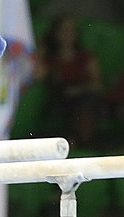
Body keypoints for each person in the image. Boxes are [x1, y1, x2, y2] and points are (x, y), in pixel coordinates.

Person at [34, 14, 102, 149]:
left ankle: (83, 141)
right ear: (55, 33)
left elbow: (97, 85)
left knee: (86, 101)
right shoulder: (50, 58)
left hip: (84, 98)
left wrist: (78, 90)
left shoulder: (85, 57)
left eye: (71, 30)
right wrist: (42, 49)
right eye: (63, 30)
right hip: (59, 101)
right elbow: (38, 75)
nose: (67, 34)